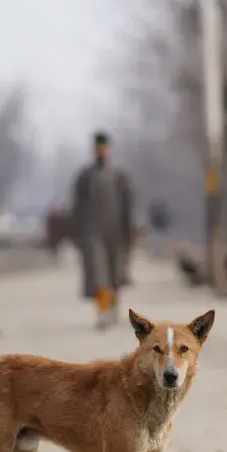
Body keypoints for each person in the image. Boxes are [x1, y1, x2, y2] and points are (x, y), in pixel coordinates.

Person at [70, 131, 136, 329]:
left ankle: (113, 307)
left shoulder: (119, 175)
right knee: (99, 276)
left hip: (116, 232)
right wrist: (77, 234)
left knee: (115, 275)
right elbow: (77, 208)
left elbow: (128, 205)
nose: (101, 150)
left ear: (108, 148)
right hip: (92, 233)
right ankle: (103, 311)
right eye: (98, 147)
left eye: (104, 146)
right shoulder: (85, 176)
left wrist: (129, 231)